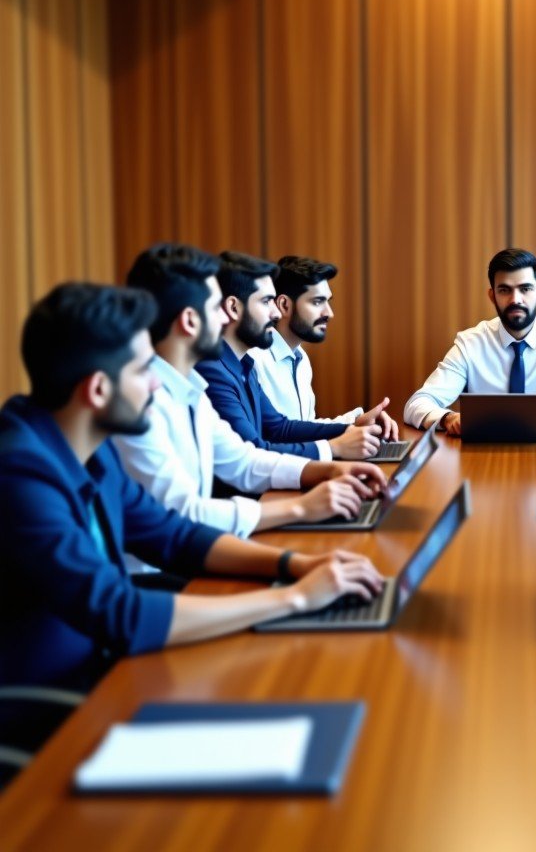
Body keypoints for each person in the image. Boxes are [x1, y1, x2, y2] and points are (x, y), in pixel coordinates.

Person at [0, 283, 384, 754]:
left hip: (111, 673)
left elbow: (173, 536)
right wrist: (295, 600)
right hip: (57, 712)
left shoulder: (87, 449)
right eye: (144, 370)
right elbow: (122, 613)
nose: (158, 383)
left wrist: (292, 566)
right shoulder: (20, 474)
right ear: (98, 390)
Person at [114, 245, 386, 566]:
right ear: (189, 320)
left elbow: (243, 460)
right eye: (216, 306)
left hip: (194, 553)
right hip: (160, 573)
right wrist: (300, 507)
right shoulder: (142, 405)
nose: (226, 316)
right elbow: (183, 514)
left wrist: (328, 468)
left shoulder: (190, 389)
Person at [197, 251, 392, 461]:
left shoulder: (244, 363)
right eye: (266, 302)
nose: (275, 313)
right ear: (233, 308)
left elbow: (280, 427)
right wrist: (332, 448)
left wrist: (351, 428)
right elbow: (253, 451)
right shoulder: (217, 370)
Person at [403, 248, 536, 434]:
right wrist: (448, 418)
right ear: (492, 295)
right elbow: (417, 404)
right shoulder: (470, 343)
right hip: (480, 455)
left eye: (525, 289)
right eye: (504, 290)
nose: (515, 299)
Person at [250, 255, 395, 435]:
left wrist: (356, 422)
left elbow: (305, 427)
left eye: (328, 301)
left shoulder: (300, 359)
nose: (329, 313)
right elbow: (274, 436)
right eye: (317, 302)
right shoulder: (254, 361)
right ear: (284, 305)